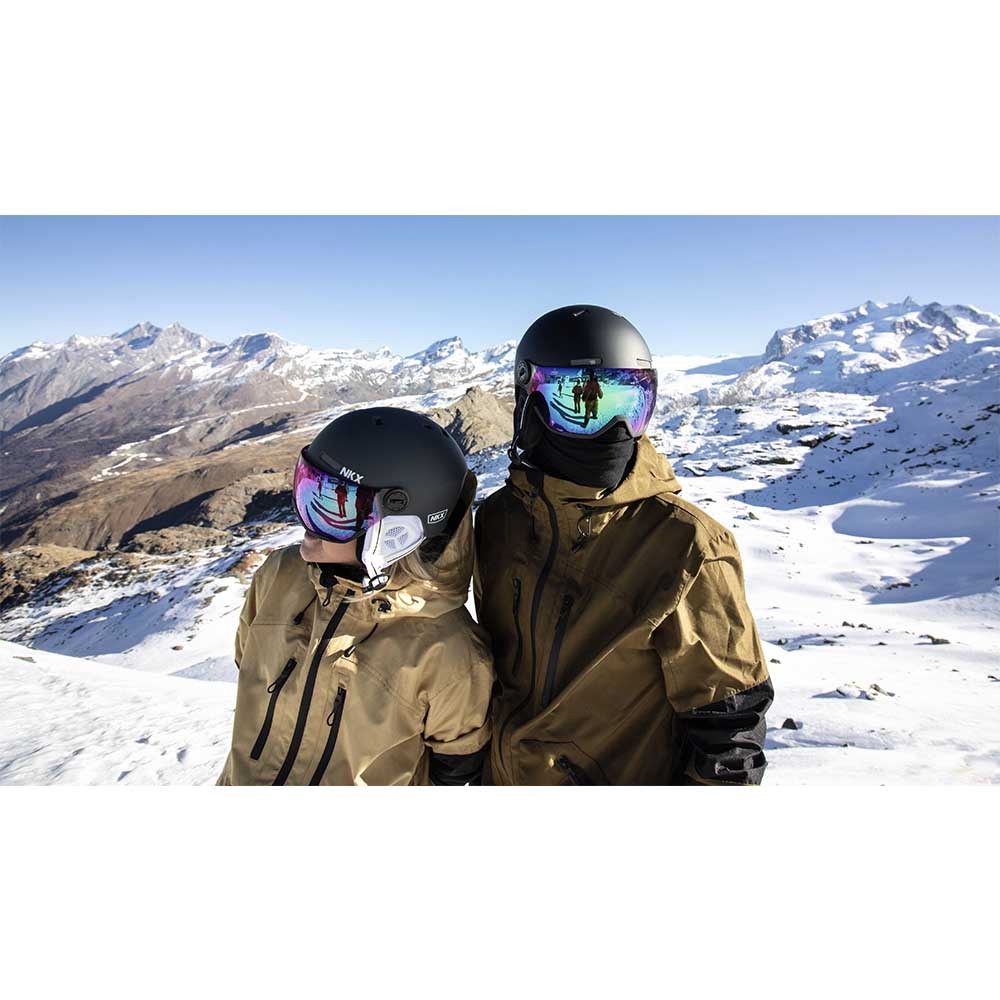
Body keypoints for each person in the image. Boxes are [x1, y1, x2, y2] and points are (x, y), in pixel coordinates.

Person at [473, 305, 773, 785]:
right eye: (581, 405)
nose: (613, 429)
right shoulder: (499, 520)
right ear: (528, 403)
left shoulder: (687, 546)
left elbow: (729, 734)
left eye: (629, 404)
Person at [218, 406, 494, 786]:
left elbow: (455, 767)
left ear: (396, 531)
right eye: (307, 490)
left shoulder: (448, 651)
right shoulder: (279, 577)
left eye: (333, 507)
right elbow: (247, 665)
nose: (307, 523)